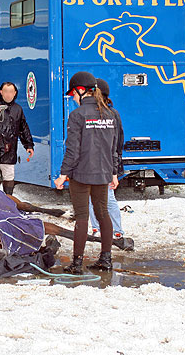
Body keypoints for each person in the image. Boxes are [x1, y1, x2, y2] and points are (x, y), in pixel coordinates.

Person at [54, 72, 119, 274]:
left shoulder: (77, 115)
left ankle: (76, 263)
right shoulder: (110, 114)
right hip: (103, 174)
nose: (73, 98)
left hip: (81, 174)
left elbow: (72, 149)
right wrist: (114, 173)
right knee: (103, 215)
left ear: (81, 91)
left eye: (73, 93)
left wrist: (63, 174)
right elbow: (114, 148)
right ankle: (105, 259)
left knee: (82, 217)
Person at [88, 78, 128, 247]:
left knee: (107, 196)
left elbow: (117, 141)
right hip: (94, 162)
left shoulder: (111, 114)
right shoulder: (91, 113)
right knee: (93, 196)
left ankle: (116, 230)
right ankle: (98, 228)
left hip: (105, 163)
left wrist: (115, 168)